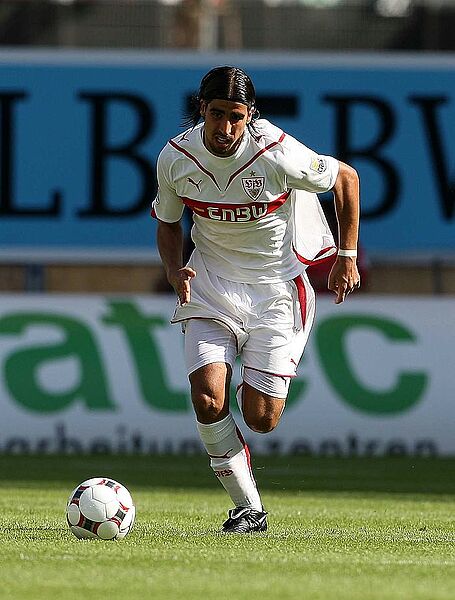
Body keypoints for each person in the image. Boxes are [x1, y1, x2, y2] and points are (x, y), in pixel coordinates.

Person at [152, 66, 360, 533]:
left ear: (250, 116)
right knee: (208, 399)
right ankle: (248, 509)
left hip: (276, 293)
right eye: (217, 114)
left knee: (261, 419)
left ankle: (256, 397)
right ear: (201, 109)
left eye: (236, 117)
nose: (225, 128)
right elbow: (167, 222)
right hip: (211, 286)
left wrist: (346, 257)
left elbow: (346, 179)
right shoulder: (175, 158)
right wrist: (172, 268)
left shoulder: (276, 152)